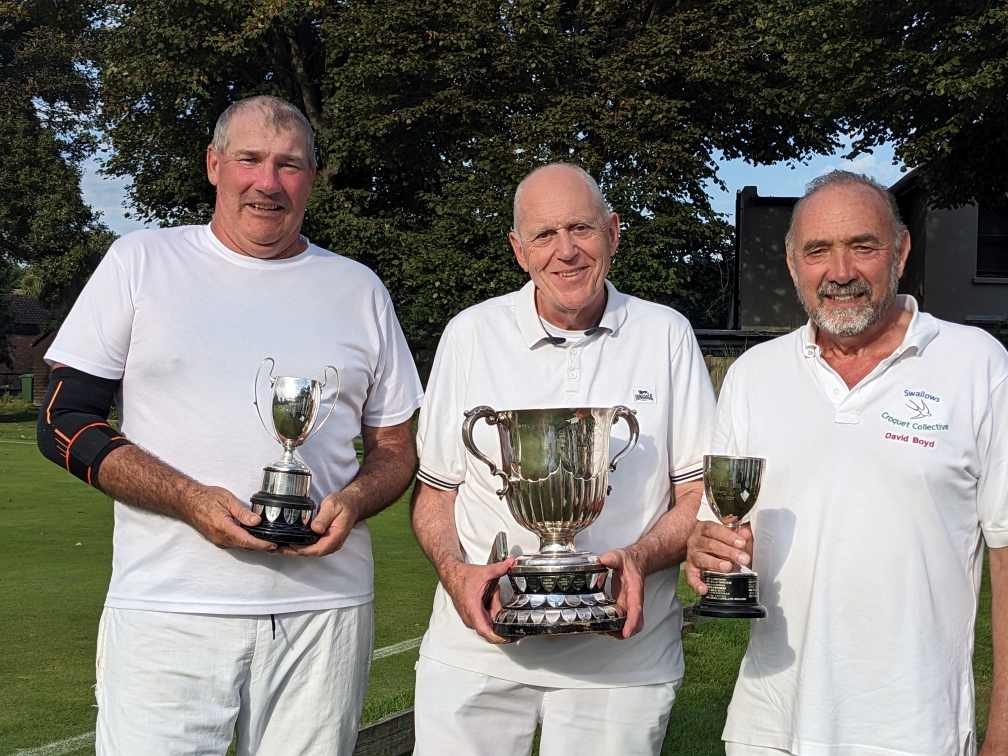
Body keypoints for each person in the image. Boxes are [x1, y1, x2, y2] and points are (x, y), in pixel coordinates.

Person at [36, 95, 423, 755]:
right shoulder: (142, 263)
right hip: (169, 610)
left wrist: (353, 502)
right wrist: (190, 499)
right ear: (215, 165)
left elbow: (397, 447)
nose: (267, 182)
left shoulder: (358, 289)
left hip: (322, 615)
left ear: (310, 177)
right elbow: (62, 418)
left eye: (289, 165)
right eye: (249, 159)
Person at [685, 170, 1008, 756]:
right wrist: (706, 553)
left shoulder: (977, 366)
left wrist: (1003, 736)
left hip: (914, 732)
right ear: (792, 263)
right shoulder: (754, 376)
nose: (840, 272)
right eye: (818, 251)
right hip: (770, 727)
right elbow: (720, 531)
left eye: (863, 246)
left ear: (901, 252)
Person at [410, 162, 717, 755]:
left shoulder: (666, 334)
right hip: (478, 652)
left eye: (582, 229)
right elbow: (435, 493)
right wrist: (458, 575)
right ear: (518, 250)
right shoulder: (471, 334)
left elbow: (695, 494)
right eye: (545, 235)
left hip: (624, 658)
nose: (567, 251)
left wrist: (638, 556)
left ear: (613, 233)